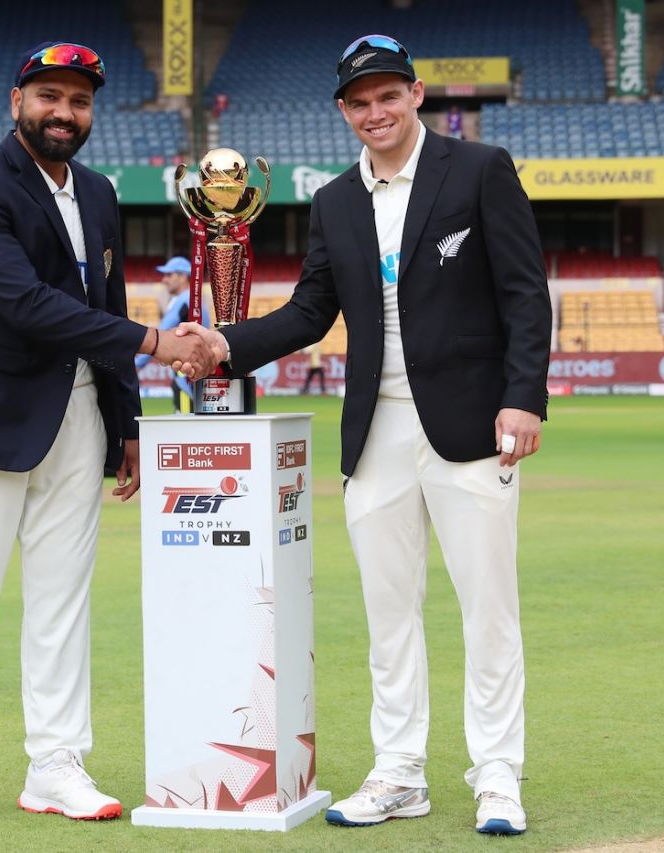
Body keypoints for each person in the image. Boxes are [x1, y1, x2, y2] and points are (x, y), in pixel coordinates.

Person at [181, 34, 551, 836]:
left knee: (488, 609)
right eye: (359, 101)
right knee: (389, 614)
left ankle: (497, 774)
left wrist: (524, 397)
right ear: (344, 112)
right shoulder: (335, 200)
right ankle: (400, 772)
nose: (375, 112)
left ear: (416, 95)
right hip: (374, 431)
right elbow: (311, 312)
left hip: (472, 423)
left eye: (388, 95)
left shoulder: (480, 169)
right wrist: (224, 342)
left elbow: (525, 291)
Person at [0, 40, 214, 831]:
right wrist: (156, 342)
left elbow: (105, 302)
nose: (64, 112)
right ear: (17, 102)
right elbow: (26, 303)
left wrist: (128, 422)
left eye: (79, 101)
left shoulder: (100, 191)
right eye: (49, 96)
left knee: (61, 601)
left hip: (78, 413)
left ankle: (55, 762)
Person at [133, 255, 210, 412]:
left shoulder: (183, 300)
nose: (164, 280)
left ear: (183, 277)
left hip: (185, 377)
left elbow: (158, 336)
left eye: (169, 275)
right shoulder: (195, 300)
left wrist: (138, 363)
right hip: (196, 375)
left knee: (185, 421)